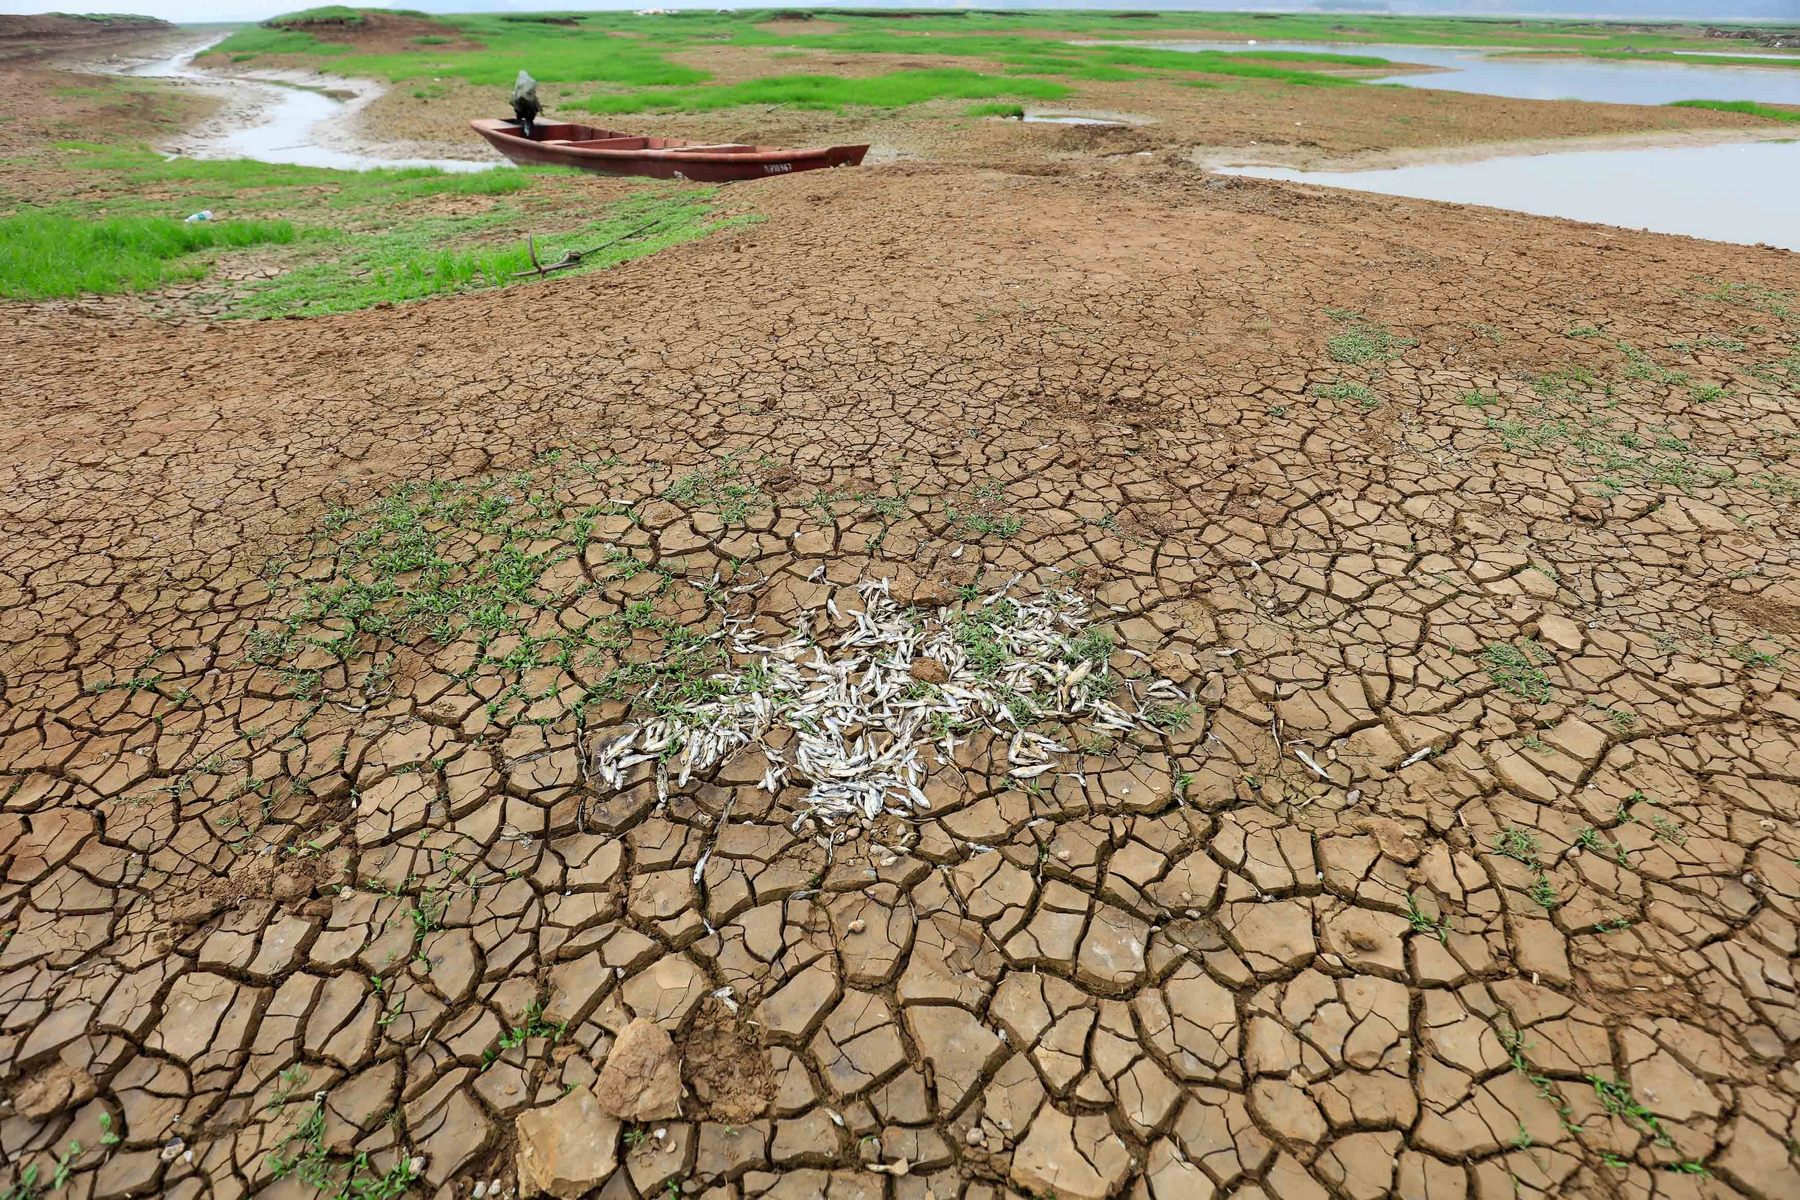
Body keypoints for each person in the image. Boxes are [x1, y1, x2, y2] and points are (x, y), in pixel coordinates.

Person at [511, 70, 541, 139]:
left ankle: (527, 128)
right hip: (524, 106)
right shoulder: (527, 84)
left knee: (528, 116)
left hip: (527, 107)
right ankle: (526, 126)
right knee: (526, 116)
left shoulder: (527, 83)